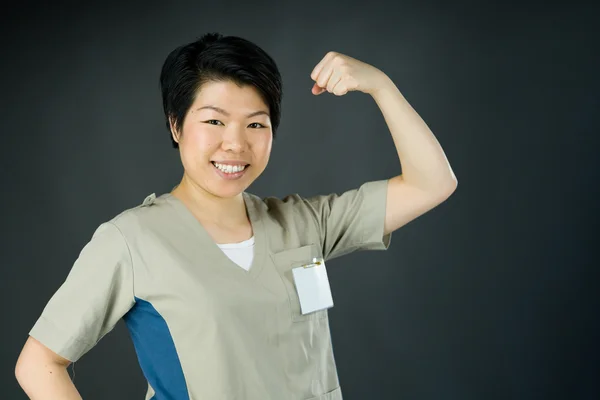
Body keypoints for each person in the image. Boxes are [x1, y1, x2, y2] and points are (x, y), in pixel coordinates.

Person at [15, 32, 457, 399]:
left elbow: (432, 183)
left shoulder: (304, 223)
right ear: (176, 125)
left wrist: (380, 84)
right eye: (214, 121)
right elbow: (39, 363)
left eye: (256, 124)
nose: (235, 144)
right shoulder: (132, 240)